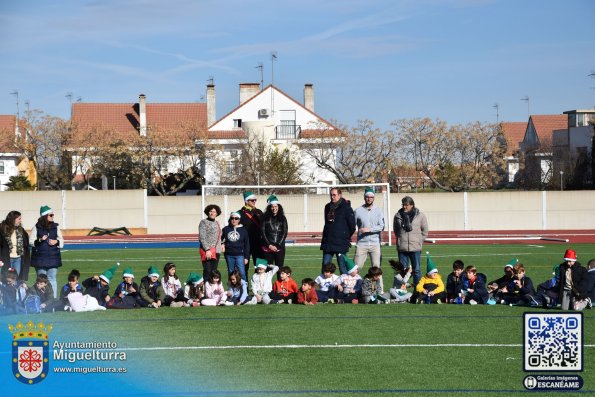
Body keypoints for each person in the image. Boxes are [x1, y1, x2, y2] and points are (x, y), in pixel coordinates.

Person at [393, 196, 428, 289]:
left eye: (407, 205)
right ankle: (402, 291)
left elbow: (425, 230)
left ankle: (417, 290)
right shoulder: (398, 216)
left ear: (412, 205)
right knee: (403, 271)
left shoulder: (420, 216)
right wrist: (400, 239)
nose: (404, 206)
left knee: (416, 270)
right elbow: (396, 230)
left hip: (415, 247)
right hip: (402, 248)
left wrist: (419, 240)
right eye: (403, 204)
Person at [29, 205, 63, 298]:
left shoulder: (56, 227)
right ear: (45, 216)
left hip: (53, 257)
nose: (53, 216)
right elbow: (31, 241)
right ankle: (40, 299)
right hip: (40, 258)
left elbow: (62, 241)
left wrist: (57, 241)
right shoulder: (36, 227)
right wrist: (39, 240)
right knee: (41, 281)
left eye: (53, 215)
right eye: (51, 215)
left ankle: (53, 300)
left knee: (52, 279)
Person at [320, 188, 356, 275]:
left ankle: (345, 287)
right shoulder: (327, 207)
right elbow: (327, 223)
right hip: (328, 242)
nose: (332, 197)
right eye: (331, 195)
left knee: (342, 266)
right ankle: (325, 287)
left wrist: (345, 236)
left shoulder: (346, 208)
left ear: (340, 195)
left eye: (334, 195)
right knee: (325, 266)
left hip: (341, 242)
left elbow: (352, 226)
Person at [354, 187, 385, 275]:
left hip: (375, 244)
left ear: (373, 198)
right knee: (355, 269)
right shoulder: (357, 211)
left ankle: (379, 289)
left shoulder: (378, 211)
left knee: (377, 270)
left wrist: (369, 229)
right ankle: (355, 288)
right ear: (364, 197)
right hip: (361, 244)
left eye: (371, 197)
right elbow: (352, 225)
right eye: (367, 197)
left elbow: (382, 226)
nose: (369, 199)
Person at [0, 210, 31, 282]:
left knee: (16, 279)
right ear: (12, 219)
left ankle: (15, 293)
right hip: (7, 259)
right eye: (19, 219)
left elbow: (26, 245)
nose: (20, 221)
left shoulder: (21, 230)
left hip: (18, 259)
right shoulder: (2, 230)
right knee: (6, 279)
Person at [260, 195, 289, 272]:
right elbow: (263, 232)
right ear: (269, 207)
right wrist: (269, 245)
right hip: (267, 248)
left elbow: (284, 233)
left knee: (279, 270)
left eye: (276, 206)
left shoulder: (283, 218)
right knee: (267, 270)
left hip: (279, 248)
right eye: (272, 206)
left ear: (279, 207)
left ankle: (279, 284)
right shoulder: (265, 218)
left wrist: (277, 245)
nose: (274, 208)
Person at [238, 191, 264, 274]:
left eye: (255, 200)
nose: (254, 202)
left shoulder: (259, 212)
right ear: (246, 201)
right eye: (252, 200)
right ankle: (244, 286)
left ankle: (258, 286)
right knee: (244, 267)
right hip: (245, 244)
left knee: (260, 266)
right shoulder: (239, 213)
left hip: (258, 243)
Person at [221, 211, 250, 282]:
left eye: (236, 218)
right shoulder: (225, 229)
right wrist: (222, 244)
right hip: (229, 255)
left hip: (240, 255)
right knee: (231, 273)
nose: (234, 220)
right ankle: (232, 290)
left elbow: (247, 244)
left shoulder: (243, 230)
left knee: (242, 273)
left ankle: (244, 291)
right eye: (232, 218)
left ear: (239, 220)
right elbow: (221, 239)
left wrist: (246, 257)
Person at [199, 204, 222, 281]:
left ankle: (213, 290)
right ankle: (206, 290)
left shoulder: (217, 223)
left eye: (214, 212)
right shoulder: (203, 222)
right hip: (207, 251)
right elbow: (202, 237)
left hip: (217, 251)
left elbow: (219, 236)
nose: (212, 213)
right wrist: (207, 250)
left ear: (217, 213)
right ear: (207, 212)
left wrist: (222, 244)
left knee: (214, 272)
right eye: (211, 211)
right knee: (207, 271)